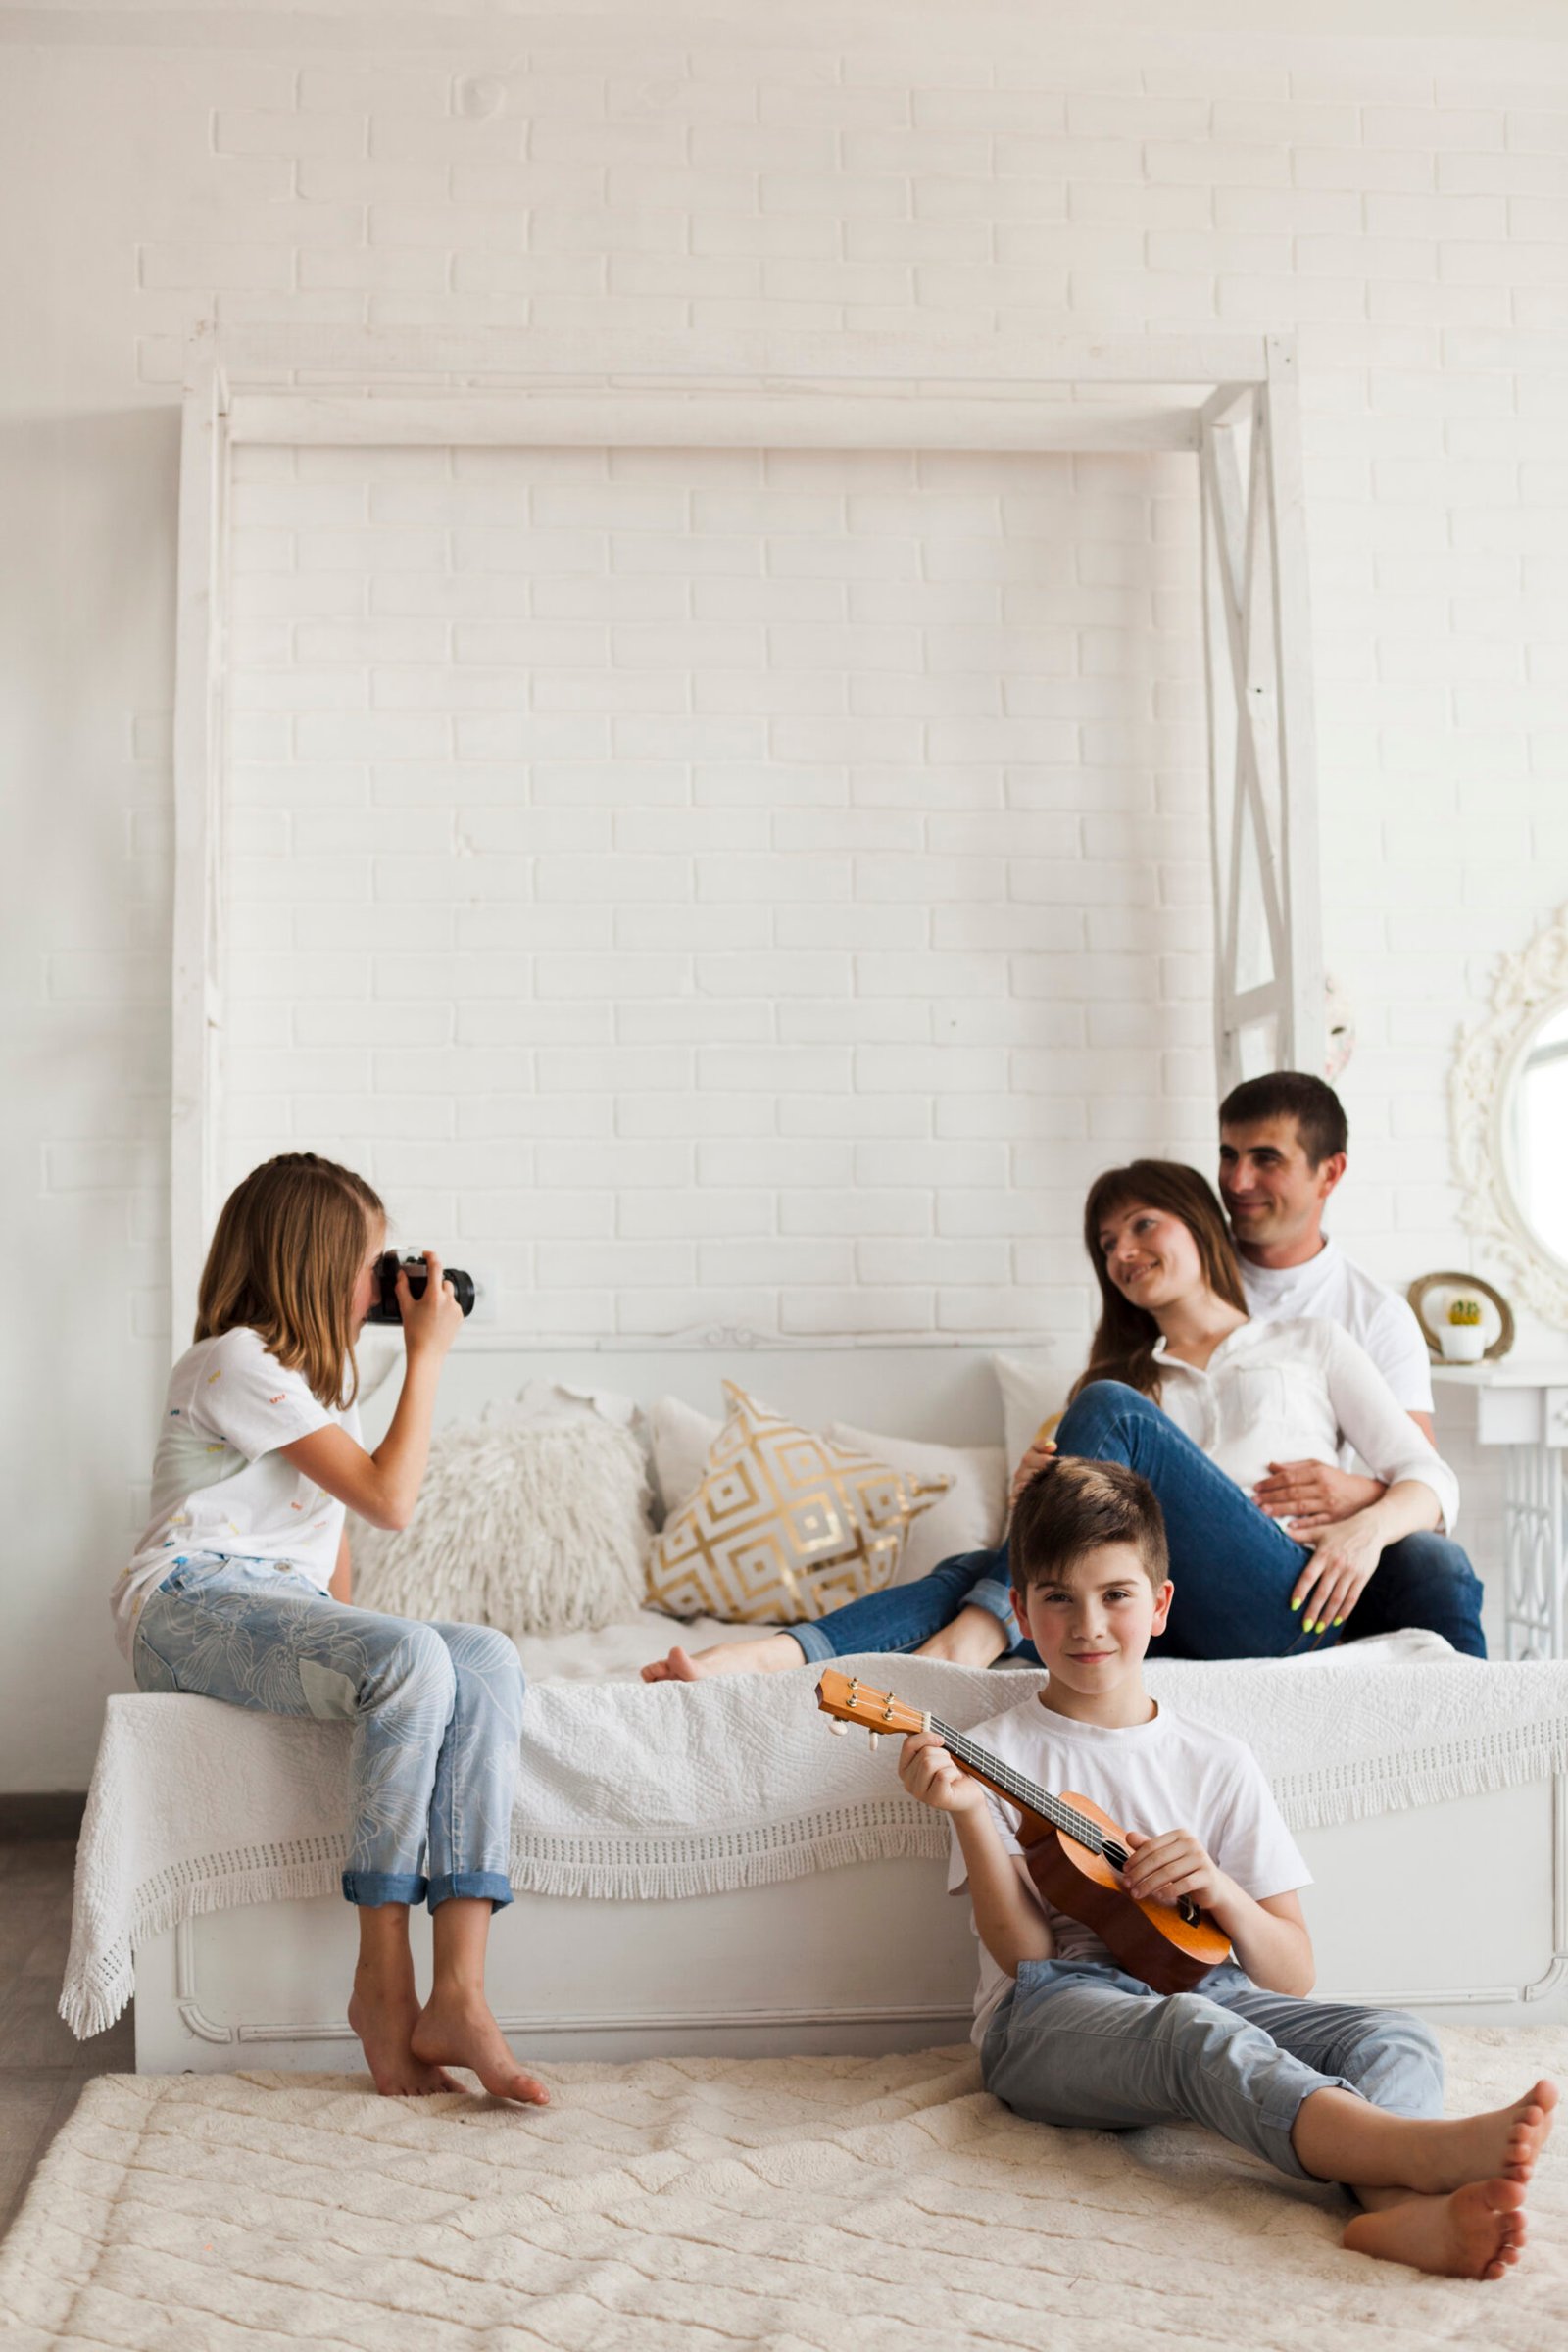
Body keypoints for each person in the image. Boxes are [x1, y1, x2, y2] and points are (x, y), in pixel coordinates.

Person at [899, 1455, 1552, 2280]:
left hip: (1207, 1983)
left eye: (1115, 1595)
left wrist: (1222, 1893)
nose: (1089, 1625)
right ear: (1023, 1611)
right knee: (1194, 2032)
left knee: (1395, 2037)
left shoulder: (1216, 1761)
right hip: (1048, 2017)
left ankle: (1398, 2214)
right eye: (1058, 1598)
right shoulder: (992, 1757)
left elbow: (1293, 1973)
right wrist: (966, 1814)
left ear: (1161, 1604)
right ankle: (1415, 2151)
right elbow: (1027, 1958)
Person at [642, 1159, 1484, 1677]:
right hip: (1154, 1616)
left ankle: (972, 1634)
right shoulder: (1122, 1382)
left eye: (1141, 1225)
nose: (1122, 1253)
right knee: (991, 1554)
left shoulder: (1311, 1342)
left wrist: (1363, 1532)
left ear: (1196, 1221)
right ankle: (779, 1657)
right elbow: (1055, 1542)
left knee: (1097, 1424)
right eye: (1107, 1245)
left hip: (1285, 1601)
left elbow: (1430, 1478)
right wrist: (1035, 1498)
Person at [116, 1152, 549, 2107]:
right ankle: (382, 1984)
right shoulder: (234, 1360)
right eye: (369, 1261)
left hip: (283, 1606)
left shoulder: (320, 1386)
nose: (383, 1282)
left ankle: (462, 1991)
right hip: (186, 1601)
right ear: (315, 1267)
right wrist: (430, 1352)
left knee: (479, 1658)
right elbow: (392, 1500)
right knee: (410, 1655)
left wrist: (376, 1660)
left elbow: (329, 1548)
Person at [1219, 1070, 1440, 1538]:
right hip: (1179, 1532)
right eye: (1228, 1155)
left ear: (1330, 1173)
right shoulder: (1181, 1277)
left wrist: (1359, 1494)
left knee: (1436, 1562)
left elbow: (1429, 1487)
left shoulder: (1374, 1315)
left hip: (1298, 1542)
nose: (1238, 1181)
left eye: (1266, 1159)